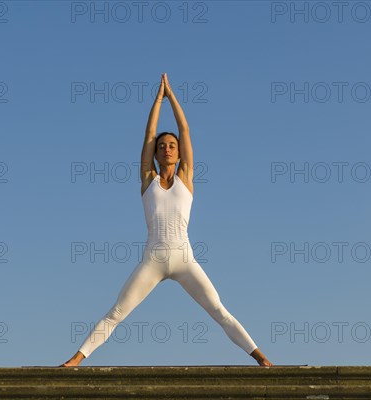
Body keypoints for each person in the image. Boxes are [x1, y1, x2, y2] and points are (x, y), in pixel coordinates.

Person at [60, 73, 273, 367]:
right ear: (157, 154)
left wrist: (172, 97)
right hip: (154, 258)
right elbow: (149, 136)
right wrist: (157, 101)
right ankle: (75, 360)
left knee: (219, 311)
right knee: (117, 312)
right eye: (163, 146)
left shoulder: (186, 178)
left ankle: (262, 359)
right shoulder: (148, 180)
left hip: (185, 259)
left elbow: (185, 129)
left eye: (172, 145)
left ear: (178, 152)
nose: (167, 148)